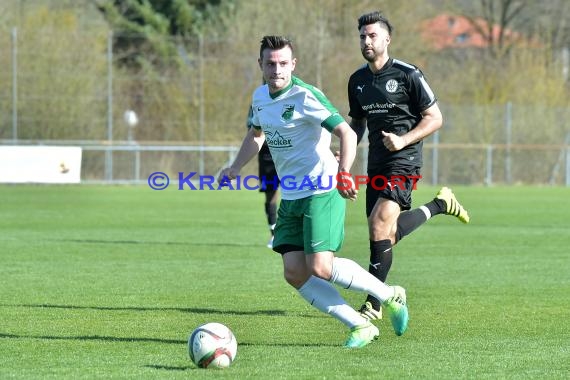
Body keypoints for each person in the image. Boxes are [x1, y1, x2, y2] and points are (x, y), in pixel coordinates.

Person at [218, 35, 408, 348]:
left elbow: (346, 132)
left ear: (293, 64)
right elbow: (255, 134)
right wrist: (235, 167)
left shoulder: (305, 95)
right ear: (261, 65)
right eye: (270, 63)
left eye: (282, 63)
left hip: (322, 189)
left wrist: (344, 173)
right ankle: (360, 326)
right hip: (292, 195)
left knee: (321, 266)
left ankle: (390, 296)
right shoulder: (259, 98)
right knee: (294, 271)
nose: (276, 69)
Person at [347, 11, 470, 321]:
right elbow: (357, 125)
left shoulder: (408, 74)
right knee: (384, 235)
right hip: (376, 163)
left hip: (404, 161)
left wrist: (403, 141)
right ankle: (440, 205)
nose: (367, 41)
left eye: (373, 35)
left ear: (387, 39)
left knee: (378, 224)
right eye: (362, 36)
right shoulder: (357, 81)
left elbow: (436, 118)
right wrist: (344, 164)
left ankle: (374, 303)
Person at [246, 101, 280, 249]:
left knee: (298, 191)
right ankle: (274, 234)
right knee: (270, 193)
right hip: (267, 154)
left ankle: (298, 234)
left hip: (291, 152)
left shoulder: (293, 96)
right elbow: (251, 127)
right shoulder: (258, 101)